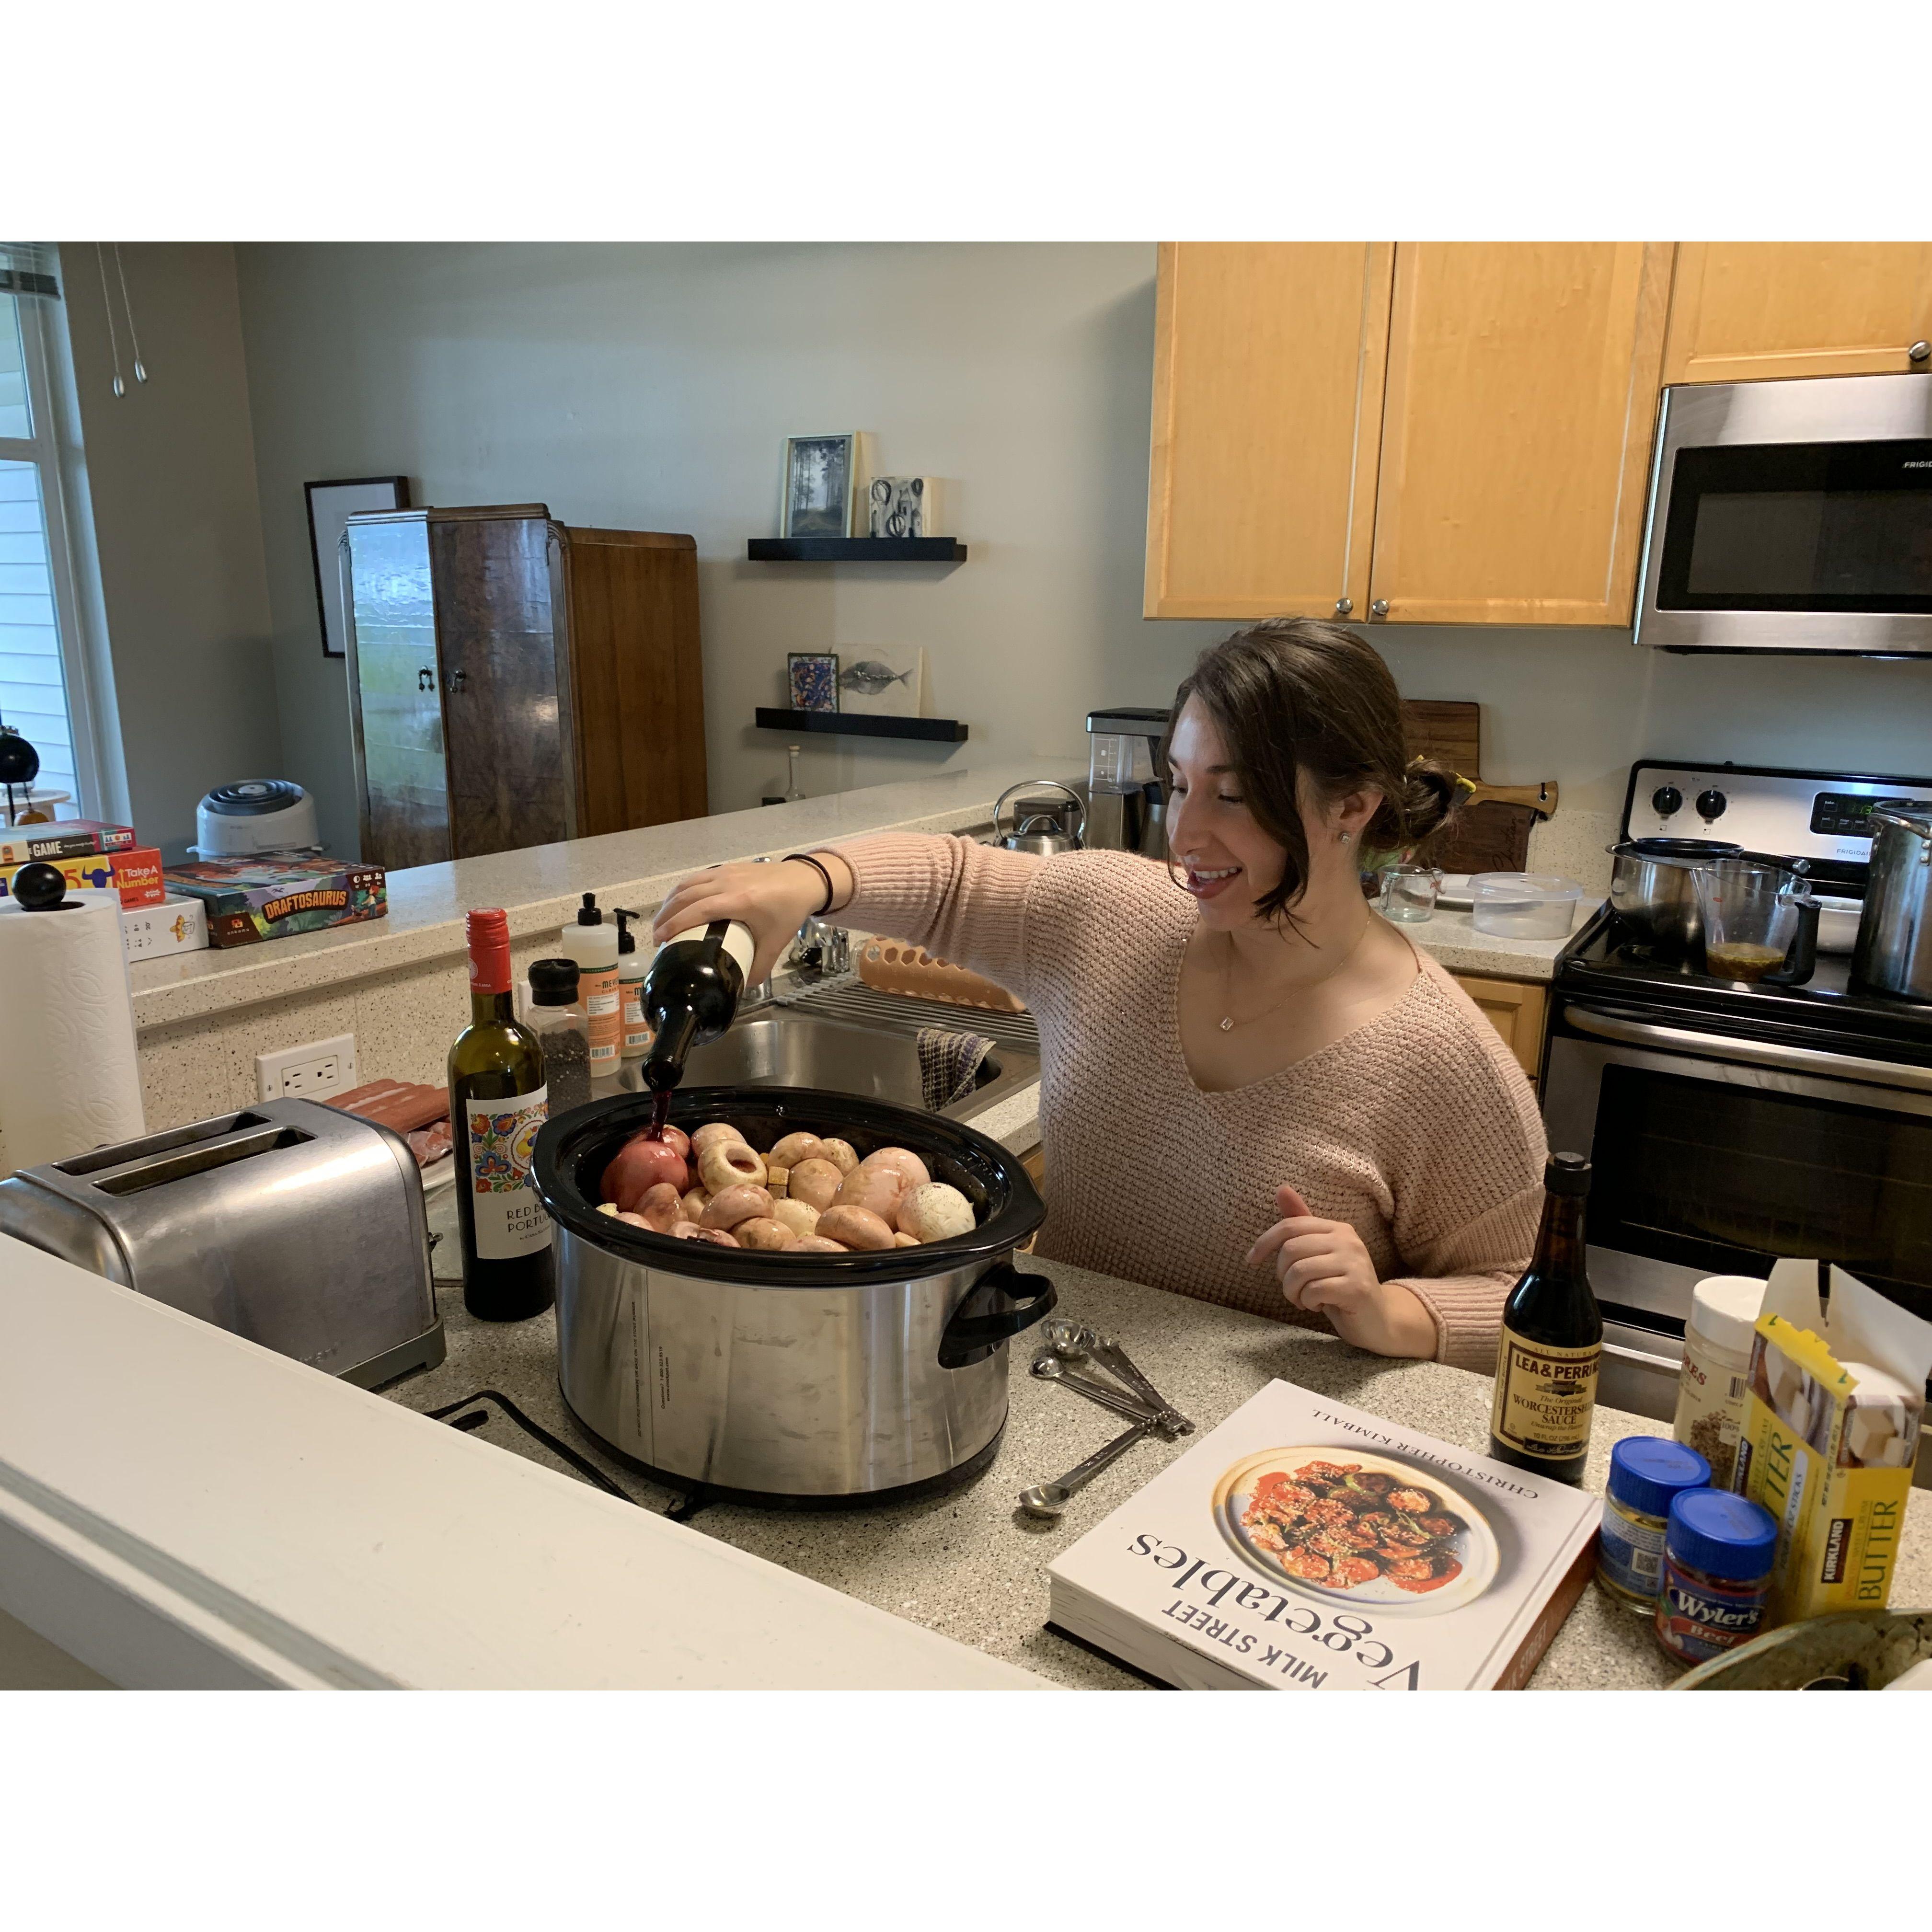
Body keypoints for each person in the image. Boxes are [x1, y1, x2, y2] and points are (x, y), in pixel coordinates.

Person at [653, 619, 1548, 1371]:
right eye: (1181, 784)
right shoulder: (1117, 918)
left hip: (1254, 1469)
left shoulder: (1442, 1059)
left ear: (1352, 807)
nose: (1186, 834)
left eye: (1234, 798)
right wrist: (806, 879)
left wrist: (1392, 1314)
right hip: (1058, 1379)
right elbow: (955, 882)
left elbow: (1521, 1299)